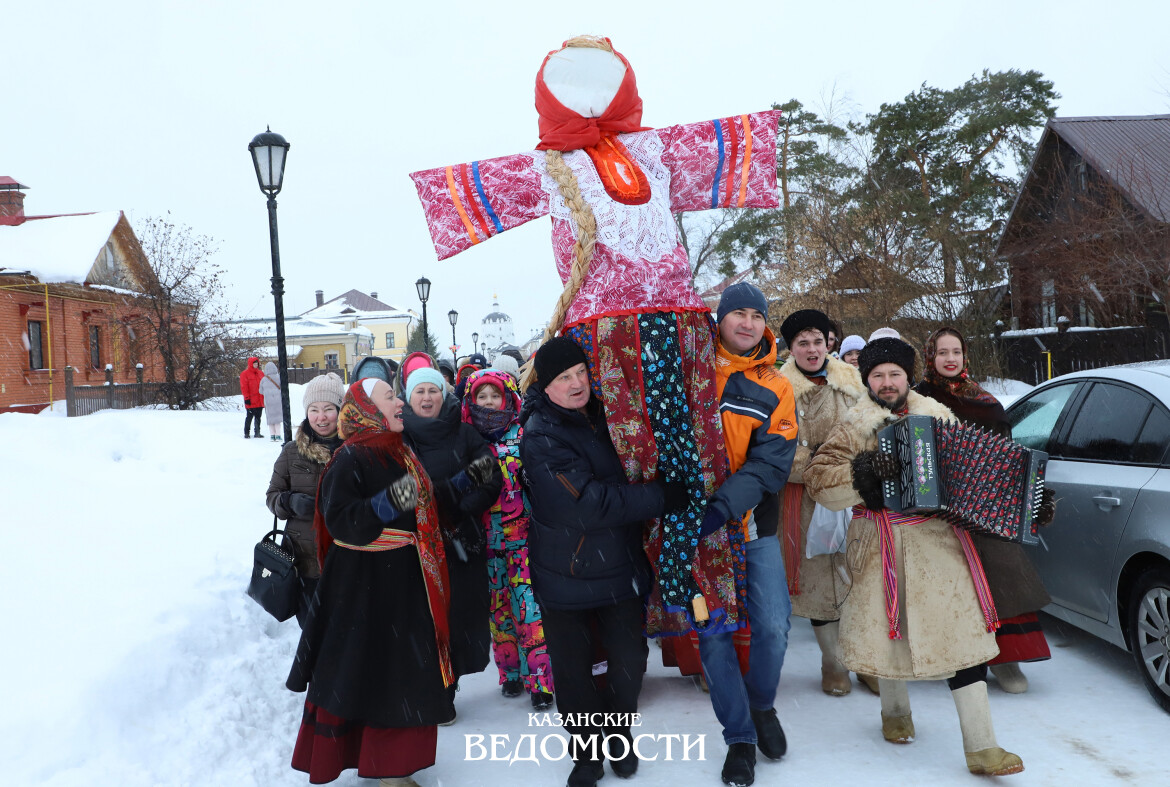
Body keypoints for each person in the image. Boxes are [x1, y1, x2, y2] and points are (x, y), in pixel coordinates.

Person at [804, 338, 1026, 777]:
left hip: (941, 545)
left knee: (964, 637)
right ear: (867, 380)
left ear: (908, 377)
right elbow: (818, 480)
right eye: (877, 375)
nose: (887, 383)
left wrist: (1024, 501)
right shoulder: (851, 426)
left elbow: (974, 478)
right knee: (891, 632)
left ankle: (982, 745)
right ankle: (895, 713)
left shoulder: (939, 417)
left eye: (895, 374)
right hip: (879, 543)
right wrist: (861, 475)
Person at [519, 337, 685, 787]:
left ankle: (617, 732)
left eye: (580, 373)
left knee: (629, 661)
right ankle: (586, 752)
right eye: (563, 378)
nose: (576, 384)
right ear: (546, 386)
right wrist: (659, 497)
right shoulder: (540, 433)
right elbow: (586, 505)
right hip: (564, 571)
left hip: (620, 565)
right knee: (573, 672)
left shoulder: (610, 413)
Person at [286, 377, 454, 786]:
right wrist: (398, 496)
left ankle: (393, 764)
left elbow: (421, 504)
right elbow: (345, 523)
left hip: (403, 582)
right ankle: (384, 770)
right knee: (371, 673)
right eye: (391, 397)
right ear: (366, 410)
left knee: (400, 674)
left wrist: (466, 484)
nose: (400, 402)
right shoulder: (350, 458)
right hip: (364, 589)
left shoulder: (399, 450)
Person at [692, 283, 798, 787]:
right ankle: (739, 737)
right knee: (713, 634)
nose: (749, 323)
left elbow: (771, 463)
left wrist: (723, 507)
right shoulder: (691, 370)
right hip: (693, 531)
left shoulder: (776, 385)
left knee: (774, 625)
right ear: (720, 320)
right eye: (739, 313)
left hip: (753, 523)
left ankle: (761, 706)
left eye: (758, 315)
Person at [915, 327, 1052, 694]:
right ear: (930, 357)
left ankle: (1004, 658)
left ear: (964, 356)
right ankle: (951, 658)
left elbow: (1008, 458)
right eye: (942, 352)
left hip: (982, 505)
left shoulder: (986, 403)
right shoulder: (917, 399)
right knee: (945, 582)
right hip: (929, 508)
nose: (949, 358)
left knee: (1000, 572)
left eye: (956, 351)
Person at [775, 309, 868, 698]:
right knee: (816, 583)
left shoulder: (852, 381)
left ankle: (864, 659)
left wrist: (855, 461)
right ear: (791, 347)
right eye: (803, 343)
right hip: (804, 499)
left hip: (854, 493)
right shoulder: (780, 388)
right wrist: (817, 461)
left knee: (858, 577)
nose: (812, 350)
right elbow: (778, 449)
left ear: (829, 342)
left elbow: (869, 427)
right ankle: (832, 660)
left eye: (818, 341)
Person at [402, 366, 503, 720]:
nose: (427, 397)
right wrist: (427, 500)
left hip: (460, 541)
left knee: (458, 617)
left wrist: (458, 503)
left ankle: (450, 681)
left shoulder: (463, 433)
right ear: (408, 397)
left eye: (433, 390)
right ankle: (432, 688)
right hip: (417, 547)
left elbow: (490, 471)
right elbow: (392, 491)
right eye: (420, 392)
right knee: (424, 620)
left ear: (443, 395)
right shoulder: (399, 437)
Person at [460, 369, 554, 710]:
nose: (488, 404)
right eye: (481, 397)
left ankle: (541, 679)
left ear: (508, 398)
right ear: (471, 401)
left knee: (529, 609)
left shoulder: (523, 435)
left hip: (524, 540)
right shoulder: (467, 440)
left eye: (494, 396)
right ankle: (510, 672)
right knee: (497, 610)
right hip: (485, 544)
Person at [265, 372, 346, 626]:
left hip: (345, 561)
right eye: (314, 410)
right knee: (312, 632)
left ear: (340, 411)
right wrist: (289, 502)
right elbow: (272, 497)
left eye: (328, 409)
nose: (321, 417)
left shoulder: (353, 450)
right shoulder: (291, 452)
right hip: (304, 564)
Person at [258, 361, 285, 442]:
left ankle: (272, 435)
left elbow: (260, 391)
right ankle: (278, 435)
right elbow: (283, 388)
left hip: (268, 402)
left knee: (271, 420)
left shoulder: (263, 379)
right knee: (277, 420)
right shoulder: (279, 377)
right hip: (278, 401)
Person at [239, 357, 265, 439]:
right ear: (250, 364)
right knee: (249, 416)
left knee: (258, 416)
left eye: (257, 363)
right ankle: (247, 433)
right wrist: (246, 398)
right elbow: (244, 387)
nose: (256, 365)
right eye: (254, 363)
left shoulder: (261, 373)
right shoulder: (245, 374)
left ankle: (257, 432)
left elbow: (264, 385)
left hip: (259, 399)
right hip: (251, 399)